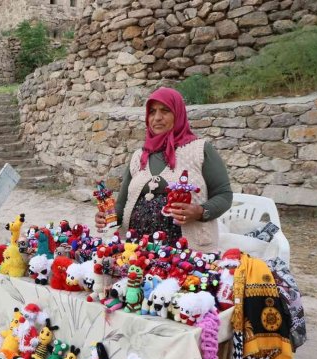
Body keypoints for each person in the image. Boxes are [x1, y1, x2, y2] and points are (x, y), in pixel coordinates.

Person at [96, 87, 232, 252]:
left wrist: (199, 211)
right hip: (137, 250)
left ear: (178, 113)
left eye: (165, 111)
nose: (157, 118)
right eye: (152, 112)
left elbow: (224, 195)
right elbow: (122, 205)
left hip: (185, 252)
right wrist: (108, 218)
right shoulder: (139, 157)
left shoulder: (200, 150)